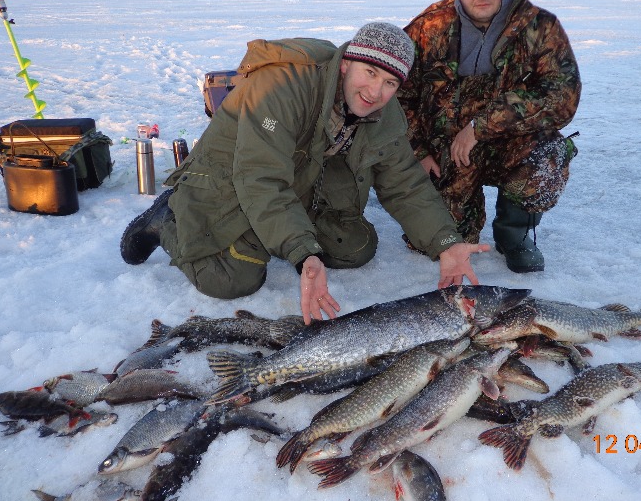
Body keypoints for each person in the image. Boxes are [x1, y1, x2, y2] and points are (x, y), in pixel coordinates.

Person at [120, 22, 489, 324]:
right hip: (229, 174)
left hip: (300, 177)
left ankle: (273, 232)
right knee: (232, 279)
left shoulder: (384, 112)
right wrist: (303, 253)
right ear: (346, 64)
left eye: (390, 82)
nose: (376, 91)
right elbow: (261, 178)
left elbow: (404, 181)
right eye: (370, 72)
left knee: (355, 247)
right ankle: (168, 219)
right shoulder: (282, 87)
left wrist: (446, 241)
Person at [398, 0, 581, 273]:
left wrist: (480, 127)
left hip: (504, 143)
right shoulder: (430, 27)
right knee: (436, 244)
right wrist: (417, 150)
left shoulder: (539, 27)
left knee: (548, 154)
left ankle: (514, 235)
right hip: (445, 150)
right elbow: (396, 92)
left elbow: (563, 94)